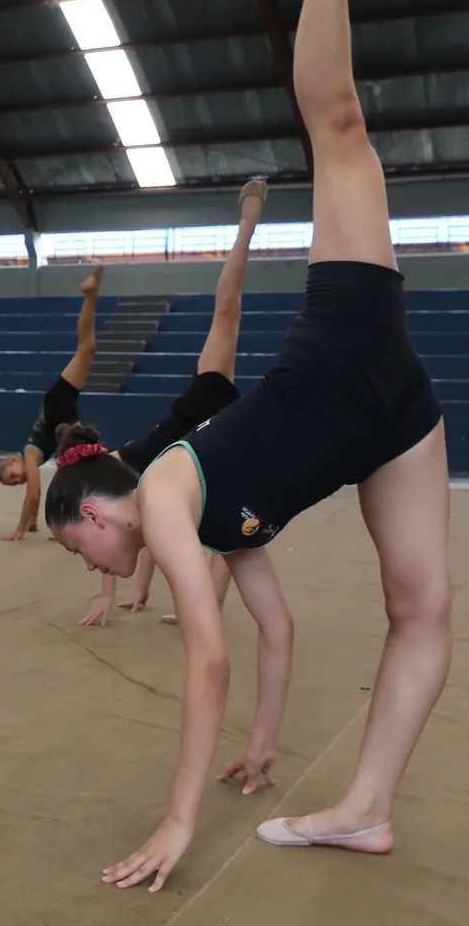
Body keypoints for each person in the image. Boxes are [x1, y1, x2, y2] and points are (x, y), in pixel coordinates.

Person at [45, 0, 452, 886]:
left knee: (340, 130)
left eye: (75, 552)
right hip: (397, 418)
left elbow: (209, 655)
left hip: (345, 345)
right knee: (423, 609)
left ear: (95, 515)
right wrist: (266, 742)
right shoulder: (218, 525)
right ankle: (366, 806)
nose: (88, 570)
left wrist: (178, 821)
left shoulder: (170, 504)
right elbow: (271, 628)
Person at [77, 180, 266, 628]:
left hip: (203, 411)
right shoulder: (126, 483)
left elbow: (122, 531)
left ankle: (248, 222)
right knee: (229, 531)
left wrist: (110, 594)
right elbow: (143, 536)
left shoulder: (117, 476)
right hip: (206, 429)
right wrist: (136, 590)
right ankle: (205, 607)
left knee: (227, 313)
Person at [0, 264, 103, 540]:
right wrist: (31, 522)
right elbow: (35, 491)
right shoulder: (32, 454)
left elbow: (34, 494)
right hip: (58, 409)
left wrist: (19, 530)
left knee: (78, 467)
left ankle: (90, 295)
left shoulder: (30, 452)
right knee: (88, 349)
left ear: (13, 462)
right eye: (15, 483)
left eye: (12, 476)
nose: (19, 480)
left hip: (59, 408)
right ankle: (91, 295)